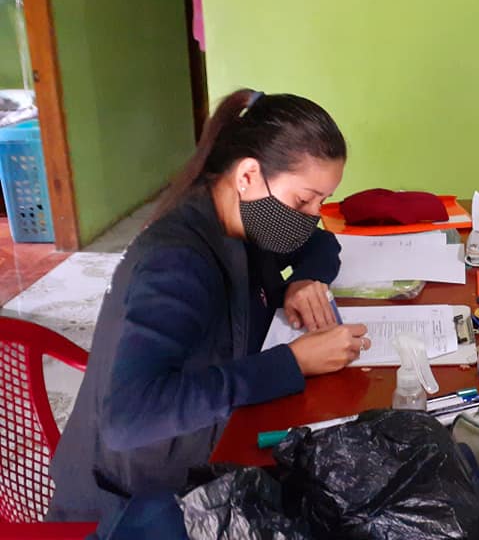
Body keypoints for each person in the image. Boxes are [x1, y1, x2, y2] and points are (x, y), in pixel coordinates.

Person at [48, 89, 370, 521]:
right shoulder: (177, 263)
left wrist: (305, 282)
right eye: (304, 200)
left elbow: (321, 243)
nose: (312, 214)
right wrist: (291, 363)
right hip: (134, 502)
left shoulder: (246, 218)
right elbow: (129, 417)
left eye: (322, 201)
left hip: (210, 448)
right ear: (248, 175)